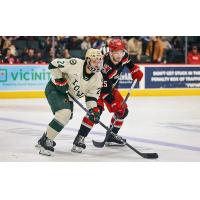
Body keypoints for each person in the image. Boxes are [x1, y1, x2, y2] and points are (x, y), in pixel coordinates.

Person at [72, 38, 143, 153]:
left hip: (112, 88)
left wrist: (135, 70)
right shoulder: (103, 64)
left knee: (122, 111)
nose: (120, 55)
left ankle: (111, 136)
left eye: (121, 51)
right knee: (95, 112)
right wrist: (114, 104)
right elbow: (104, 91)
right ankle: (80, 138)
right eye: (116, 52)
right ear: (110, 52)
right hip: (96, 89)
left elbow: (129, 63)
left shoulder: (124, 56)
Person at [36, 48, 103, 156]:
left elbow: (91, 97)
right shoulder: (75, 64)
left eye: (99, 61)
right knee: (64, 114)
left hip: (68, 95)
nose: (97, 64)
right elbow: (53, 64)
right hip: (55, 89)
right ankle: (46, 140)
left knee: (66, 116)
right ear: (87, 60)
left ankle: (44, 138)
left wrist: (94, 110)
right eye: (95, 61)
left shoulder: (98, 77)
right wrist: (59, 79)